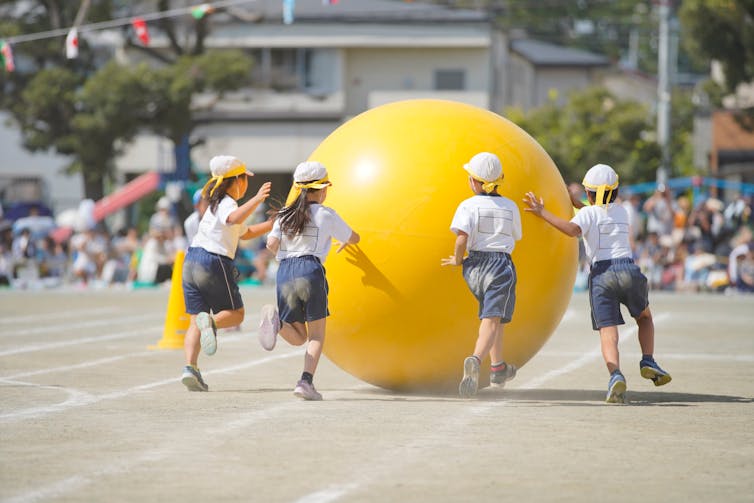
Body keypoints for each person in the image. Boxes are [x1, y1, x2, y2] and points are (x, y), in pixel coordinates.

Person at [523, 163, 671, 404]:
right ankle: (648, 360)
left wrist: (542, 212)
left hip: (602, 274)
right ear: (616, 191)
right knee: (644, 317)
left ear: (589, 193)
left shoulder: (587, 214)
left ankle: (615, 376)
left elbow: (573, 229)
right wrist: (580, 204)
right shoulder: (622, 211)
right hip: (628, 269)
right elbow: (597, 214)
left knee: (608, 331)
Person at [257, 161, 360, 401]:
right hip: (310, 269)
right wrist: (345, 240)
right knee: (315, 336)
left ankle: (276, 323)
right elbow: (354, 237)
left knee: (298, 335)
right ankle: (305, 382)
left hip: (284, 272)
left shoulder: (284, 214)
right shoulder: (326, 214)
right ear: (322, 189)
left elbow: (271, 245)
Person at [180, 155, 272, 392]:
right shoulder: (227, 203)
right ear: (237, 181)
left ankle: (190, 368)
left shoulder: (213, 204)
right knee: (236, 314)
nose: (247, 184)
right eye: (245, 179)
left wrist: (274, 223)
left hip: (191, 261)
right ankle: (210, 322)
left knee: (195, 321)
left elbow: (246, 231)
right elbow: (233, 218)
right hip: (213, 261)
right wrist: (256, 200)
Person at [441, 152, 522, 398]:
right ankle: (476, 359)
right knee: (492, 318)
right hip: (500, 266)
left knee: (493, 317)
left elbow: (462, 238)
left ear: (474, 182)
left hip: (473, 267)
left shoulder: (467, 205)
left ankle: (497, 367)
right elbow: (516, 236)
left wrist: (457, 259)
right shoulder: (510, 206)